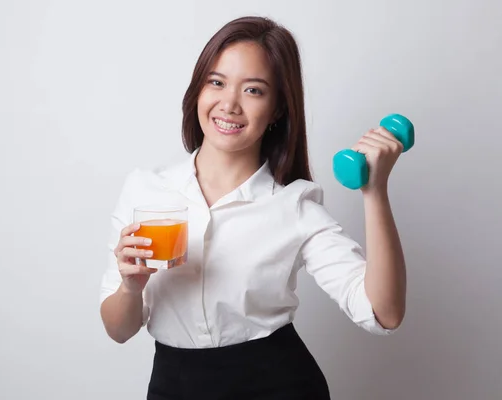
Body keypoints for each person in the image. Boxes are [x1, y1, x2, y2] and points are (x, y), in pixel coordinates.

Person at [99, 15, 406, 399]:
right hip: (172, 387)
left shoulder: (294, 204)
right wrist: (131, 287)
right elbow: (119, 330)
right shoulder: (146, 190)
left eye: (254, 90)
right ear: (198, 89)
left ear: (278, 108)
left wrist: (374, 190)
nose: (229, 104)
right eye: (217, 82)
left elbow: (383, 313)